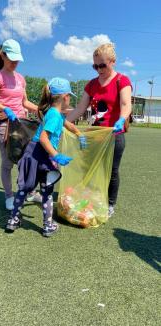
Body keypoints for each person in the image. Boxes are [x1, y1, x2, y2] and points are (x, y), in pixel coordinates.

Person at [6, 77, 86, 237]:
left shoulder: (54, 113)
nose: (70, 99)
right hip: (41, 153)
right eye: (69, 96)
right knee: (46, 192)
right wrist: (55, 155)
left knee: (24, 189)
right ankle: (48, 226)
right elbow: (43, 138)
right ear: (65, 97)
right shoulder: (55, 116)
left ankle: (13, 220)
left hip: (34, 153)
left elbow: (67, 123)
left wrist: (79, 134)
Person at [67, 43, 132, 217]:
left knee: (112, 171)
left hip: (114, 135)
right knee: (88, 168)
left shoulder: (122, 81)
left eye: (102, 65)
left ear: (113, 62)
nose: (98, 69)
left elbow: (126, 105)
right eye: (95, 66)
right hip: (95, 136)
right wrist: (62, 122)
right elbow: (80, 108)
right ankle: (89, 198)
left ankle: (110, 204)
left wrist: (121, 119)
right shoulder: (92, 84)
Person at [0, 39, 42, 210]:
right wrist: (6, 109)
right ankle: (9, 196)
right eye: (12, 59)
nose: (15, 63)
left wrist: (42, 110)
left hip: (22, 125)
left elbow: (25, 103)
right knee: (8, 162)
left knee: (27, 160)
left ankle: (29, 192)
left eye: (17, 60)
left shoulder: (21, 78)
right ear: (3, 56)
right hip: (4, 124)